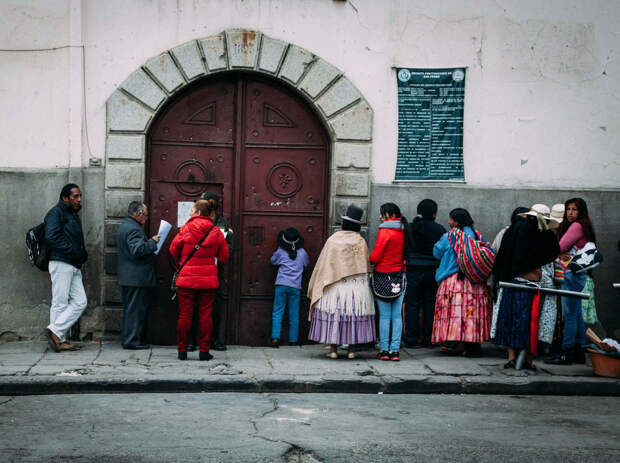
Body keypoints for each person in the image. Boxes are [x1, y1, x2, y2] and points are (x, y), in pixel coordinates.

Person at [491, 204, 561, 370]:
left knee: (512, 321)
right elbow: (553, 252)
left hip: (512, 282)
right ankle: (528, 360)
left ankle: (512, 358)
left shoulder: (514, 230)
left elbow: (502, 256)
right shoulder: (543, 235)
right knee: (531, 324)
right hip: (532, 286)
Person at [307, 204, 375, 359]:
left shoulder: (333, 240)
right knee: (353, 314)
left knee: (335, 314)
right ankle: (351, 350)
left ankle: (333, 349)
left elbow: (324, 264)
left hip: (335, 284)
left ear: (344, 224)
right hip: (356, 286)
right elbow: (364, 265)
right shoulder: (360, 241)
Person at [170, 199, 229, 361]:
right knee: (205, 315)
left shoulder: (186, 229)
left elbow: (173, 250)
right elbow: (224, 256)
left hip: (186, 280)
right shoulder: (215, 231)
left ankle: (182, 350)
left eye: (192, 210)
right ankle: (204, 351)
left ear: (198, 213)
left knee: (185, 315)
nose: (189, 213)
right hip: (208, 281)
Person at [431, 208, 491, 356]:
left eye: (451, 219)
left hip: (454, 280)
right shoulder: (477, 235)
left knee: (456, 312)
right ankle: (471, 345)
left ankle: (457, 342)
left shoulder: (450, 236)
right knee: (471, 313)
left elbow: (436, 252)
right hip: (475, 281)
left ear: (456, 222)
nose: (449, 222)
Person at [546, 198, 597, 365]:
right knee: (576, 314)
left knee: (569, 315)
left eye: (574, 209)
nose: (570, 213)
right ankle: (578, 351)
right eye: (568, 209)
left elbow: (559, 247)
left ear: (580, 211)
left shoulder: (576, 226)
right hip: (579, 274)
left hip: (570, 275)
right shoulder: (585, 226)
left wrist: (562, 260)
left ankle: (566, 353)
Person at [44, 183, 88, 352]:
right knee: (60, 302)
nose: (79, 199)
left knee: (80, 302)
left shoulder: (71, 214)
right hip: (61, 262)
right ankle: (59, 340)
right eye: (75, 196)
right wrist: (74, 251)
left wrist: (80, 254)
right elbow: (51, 237)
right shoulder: (56, 213)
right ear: (65, 198)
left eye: (79, 196)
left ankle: (55, 331)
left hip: (73, 264)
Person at [187, 191, 233, 352]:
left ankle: (213, 340)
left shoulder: (223, 223)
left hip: (215, 273)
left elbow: (230, 248)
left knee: (215, 309)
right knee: (192, 309)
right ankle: (191, 341)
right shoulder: (193, 222)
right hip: (195, 271)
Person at [116, 201, 160, 350]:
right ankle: (132, 341)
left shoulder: (126, 225)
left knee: (131, 310)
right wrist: (152, 242)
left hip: (131, 277)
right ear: (139, 214)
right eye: (145, 215)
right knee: (135, 311)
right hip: (136, 278)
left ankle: (131, 339)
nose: (146, 219)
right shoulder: (133, 229)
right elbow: (138, 250)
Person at [370, 203, 410, 361]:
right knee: (397, 316)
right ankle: (395, 351)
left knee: (385, 317)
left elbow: (375, 257)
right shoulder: (404, 230)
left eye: (382, 214)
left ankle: (384, 350)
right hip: (400, 276)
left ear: (390, 214)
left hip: (382, 277)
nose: (381, 217)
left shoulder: (385, 231)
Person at [403, 199, 446, 348]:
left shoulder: (410, 227)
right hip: (432, 271)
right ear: (434, 214)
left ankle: (411, 339)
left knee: (411, 305)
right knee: (430, 305)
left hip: (412, 270)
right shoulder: (440, 229)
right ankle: (428, 338)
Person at [270, 228, 310, 347]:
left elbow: (273, 261)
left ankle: (275, 338)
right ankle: (293, 340)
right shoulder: (302, 252)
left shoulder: (280, 251)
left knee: (277, 312)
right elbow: (306, 263)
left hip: (281, 285)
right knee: (294, 313)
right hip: (295, 286)